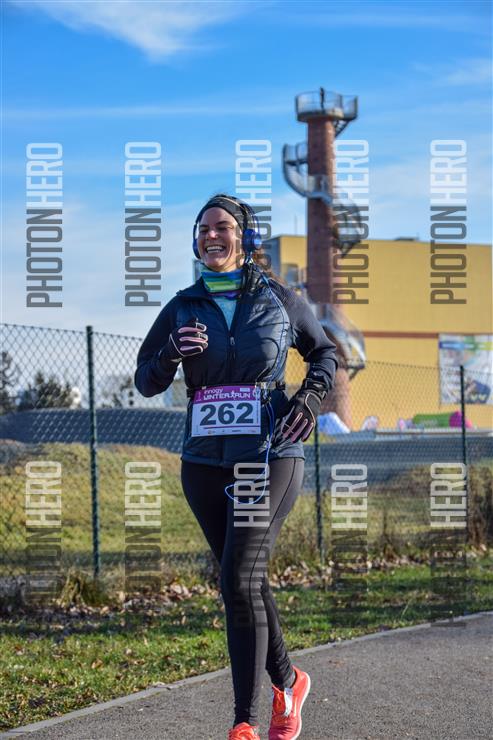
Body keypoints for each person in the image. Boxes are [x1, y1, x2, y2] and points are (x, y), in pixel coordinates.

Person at [134, 194, 339, 740]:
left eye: (222, 226)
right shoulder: (183, 307)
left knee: (238, 576)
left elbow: (325, 353)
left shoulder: (280, 298)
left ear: (246, 237)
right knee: (244, 579)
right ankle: (289, 681)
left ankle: (243, 722)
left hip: (268, 453)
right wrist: (170, 353)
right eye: (203, 228)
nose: (211, 235)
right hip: (203, 461)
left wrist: (310, 398)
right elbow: (145, 379)